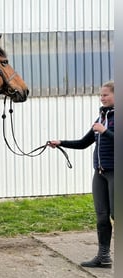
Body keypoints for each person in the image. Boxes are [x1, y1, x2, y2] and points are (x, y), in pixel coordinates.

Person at [49, 80, 114, 268]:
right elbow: (83, 142)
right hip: (100, 174)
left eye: (105, 95)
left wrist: (105, 132)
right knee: (102, 216)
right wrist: (60, 142)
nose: (102, 98)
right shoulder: (100, 118)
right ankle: (103, 257)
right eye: (101, 95)